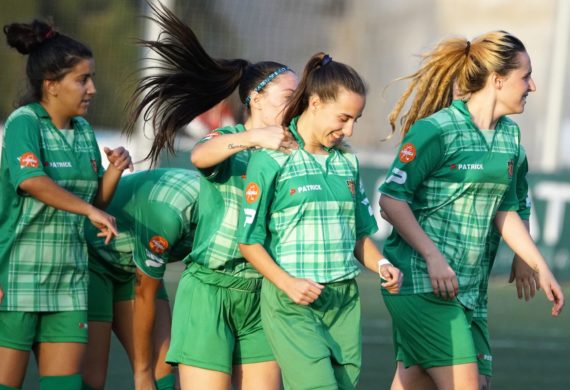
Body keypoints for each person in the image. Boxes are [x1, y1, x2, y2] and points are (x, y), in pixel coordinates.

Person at [123, 4, 298, 389]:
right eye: (288, 95)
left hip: (262, 292)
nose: (296, 103)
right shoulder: (231, 142)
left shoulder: (294, 151)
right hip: (210, 290)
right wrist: (254, 138)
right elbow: (200, 155)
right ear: (256, 98)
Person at [378, 31, 564, 390]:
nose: (533, 86)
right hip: (422, 284)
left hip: (469, 289)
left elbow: (506, 209)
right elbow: (391, 200)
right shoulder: (436, 130)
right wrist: (432, 257)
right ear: (497, 80)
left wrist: (538, 265)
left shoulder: (510, 136)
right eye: (525, 76)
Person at [238, 52, 403, 390]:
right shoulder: (271, 158)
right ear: (314, 103)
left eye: (356, 119)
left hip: (344, 301)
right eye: (343, 118)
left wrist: (382, 263)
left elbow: (358, 235)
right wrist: (287, 284)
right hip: (293, 301)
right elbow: (249, 242)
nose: (349, 129)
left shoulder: (347, 162)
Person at [0, 20, 132, 390]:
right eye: (82, 79)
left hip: (69, 282)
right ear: (51, 85)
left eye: (91, 78)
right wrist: (90, 210)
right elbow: (31, 181)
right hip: (15, 277)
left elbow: (95, 202)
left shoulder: (84, 131)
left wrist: (114, 171)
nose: (92, 88)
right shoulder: (24, 122)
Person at [81, 168, 200, 390]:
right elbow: (144, 295)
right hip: (94, 258)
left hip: (134, 262)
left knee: (164, 371)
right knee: (93, 378)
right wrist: (141, 372)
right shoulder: (169, 215)